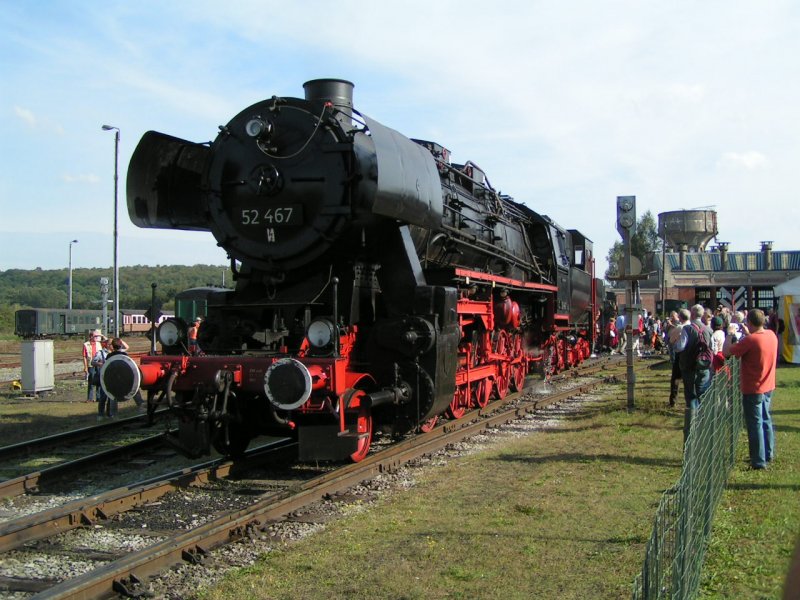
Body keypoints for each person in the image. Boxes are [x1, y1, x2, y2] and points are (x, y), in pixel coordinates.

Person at [723, 308, 777, 470]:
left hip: (753, 387)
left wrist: (730, 334)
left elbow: (727, 352)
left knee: (755, 424)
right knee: (766, 419)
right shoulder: (771, 335)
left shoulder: (751, 340)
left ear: (750, 323)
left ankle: (759, 461)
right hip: (768, 384)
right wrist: (749, 333)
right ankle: (768, 452)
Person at [674, 304, 713, 443]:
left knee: (691, 394)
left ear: (691, 313)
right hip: (704, 366)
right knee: (703, 392)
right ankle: (705, 419)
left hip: (689, 366)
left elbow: (681, 346)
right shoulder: (709, 329)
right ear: (702, 315)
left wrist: (674, 346)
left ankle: (693, 421)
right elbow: (712, 347)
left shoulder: (687, 329)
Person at [107, 337, 146, 413]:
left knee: (112, 395)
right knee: (134, 390)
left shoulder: (109, 356)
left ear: (112, 346)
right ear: (121, 345)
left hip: (114, 379)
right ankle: (140, 406)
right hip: (125, 378)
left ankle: (113, 413)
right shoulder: (124, 355)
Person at [667, 309, 690, 407]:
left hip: (680, 354)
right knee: (689, 378)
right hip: (691, 354)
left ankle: (673, 400)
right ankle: (689, 401)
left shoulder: (680, 327)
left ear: (680, 317)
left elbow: (671, 340)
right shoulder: (693, 326)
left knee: (676, 378)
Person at [82, 329, 106, 403]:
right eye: (94, 336)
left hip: (99, 364)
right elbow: (84, 356)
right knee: (91, 381)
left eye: (96, 336)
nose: (96, 337)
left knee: (99, 380)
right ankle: (90, 398)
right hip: (90, 364)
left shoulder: (99, 343)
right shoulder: (86, 344)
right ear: (91, 336)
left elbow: (107, 341)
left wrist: (101, 335)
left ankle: (98, 397)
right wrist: (85, 367)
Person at [91, 338, 111, 420]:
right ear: (107, 344)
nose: (111, 345)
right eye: (110, 344)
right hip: (104, 378)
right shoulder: (101, 353)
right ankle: (100, 414)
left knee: (111, 398)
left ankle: (110, 413)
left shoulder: (115, 353)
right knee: (103, 397)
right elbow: (93, 362)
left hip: (112, 378)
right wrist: (100, 364)